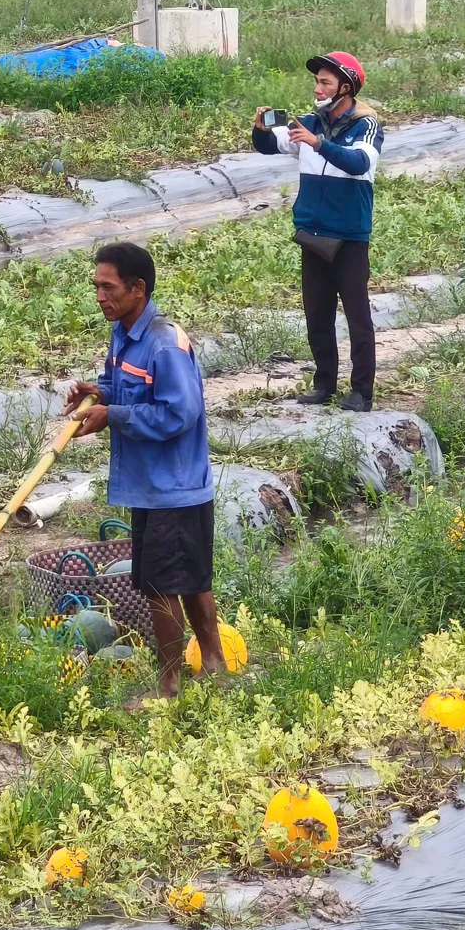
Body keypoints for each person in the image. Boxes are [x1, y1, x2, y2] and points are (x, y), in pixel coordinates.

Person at [62, 242, 224, 698]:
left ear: (138, 288)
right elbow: (130, 389)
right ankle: (213, 665)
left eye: (108, 287)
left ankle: (169, 685)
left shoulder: (164, 344)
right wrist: (102, 393)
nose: (100, 296)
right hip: (153, 485)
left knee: (161, 587)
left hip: (173, 485)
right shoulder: (124, 333)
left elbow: (179, 414)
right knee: (187, 579)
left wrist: (112, 417)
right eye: (96, 286)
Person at [251, 51, 383, 412]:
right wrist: (261, 128)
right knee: (317, 314)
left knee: (358, 316)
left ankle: (361, 392)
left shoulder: (365, 126)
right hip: (313, 233)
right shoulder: (310, 122)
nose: (317, 87)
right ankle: (324, 384)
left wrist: (318, 143)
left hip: (350, 236)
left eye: (325, 82)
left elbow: (358, 163)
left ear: (346, 87)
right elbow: (268, 146)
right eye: (316, 81)